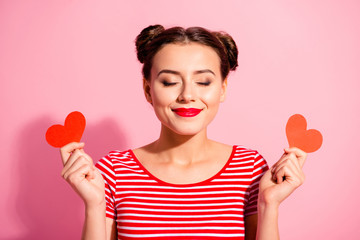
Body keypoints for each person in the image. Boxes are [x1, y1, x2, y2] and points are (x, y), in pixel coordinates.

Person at [60, 25, 306, 240]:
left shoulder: (249, 168)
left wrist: (268, 204)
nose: (187, 95)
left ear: (222, 89)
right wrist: (94, 205)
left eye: (203, 82)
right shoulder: (113, 172)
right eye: (169, 82)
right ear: (148, 90)